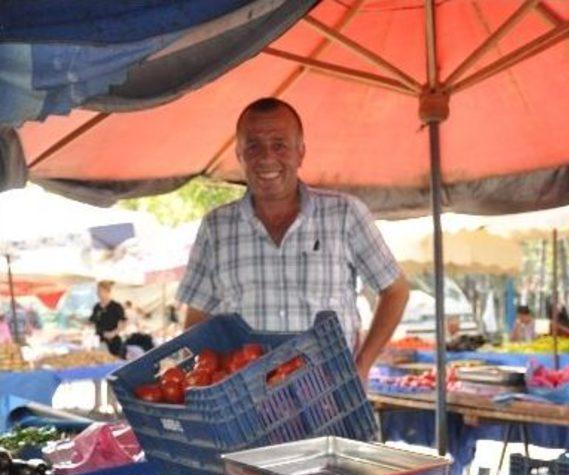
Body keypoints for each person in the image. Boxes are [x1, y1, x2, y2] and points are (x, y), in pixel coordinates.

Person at [177, 97, 409, 382]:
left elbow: (395, 290)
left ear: (301, 153)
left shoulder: (345, 214)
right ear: (239, 154)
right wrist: (198, 379)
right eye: (253, 147)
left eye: (279, 145)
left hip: (332, 398)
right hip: (247, 408)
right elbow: (197, 319)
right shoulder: (216, 227)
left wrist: (363, 365)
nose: (266, 158)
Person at [89, 281, 126, 358]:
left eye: (100, 291)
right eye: (97, 291)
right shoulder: (96, 307)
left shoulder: (116, 306)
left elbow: (123, 322)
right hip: (99, 340)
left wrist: (113, 333)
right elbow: (92, 322)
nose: (98, 293)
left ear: (107, 291)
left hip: (113, 342)